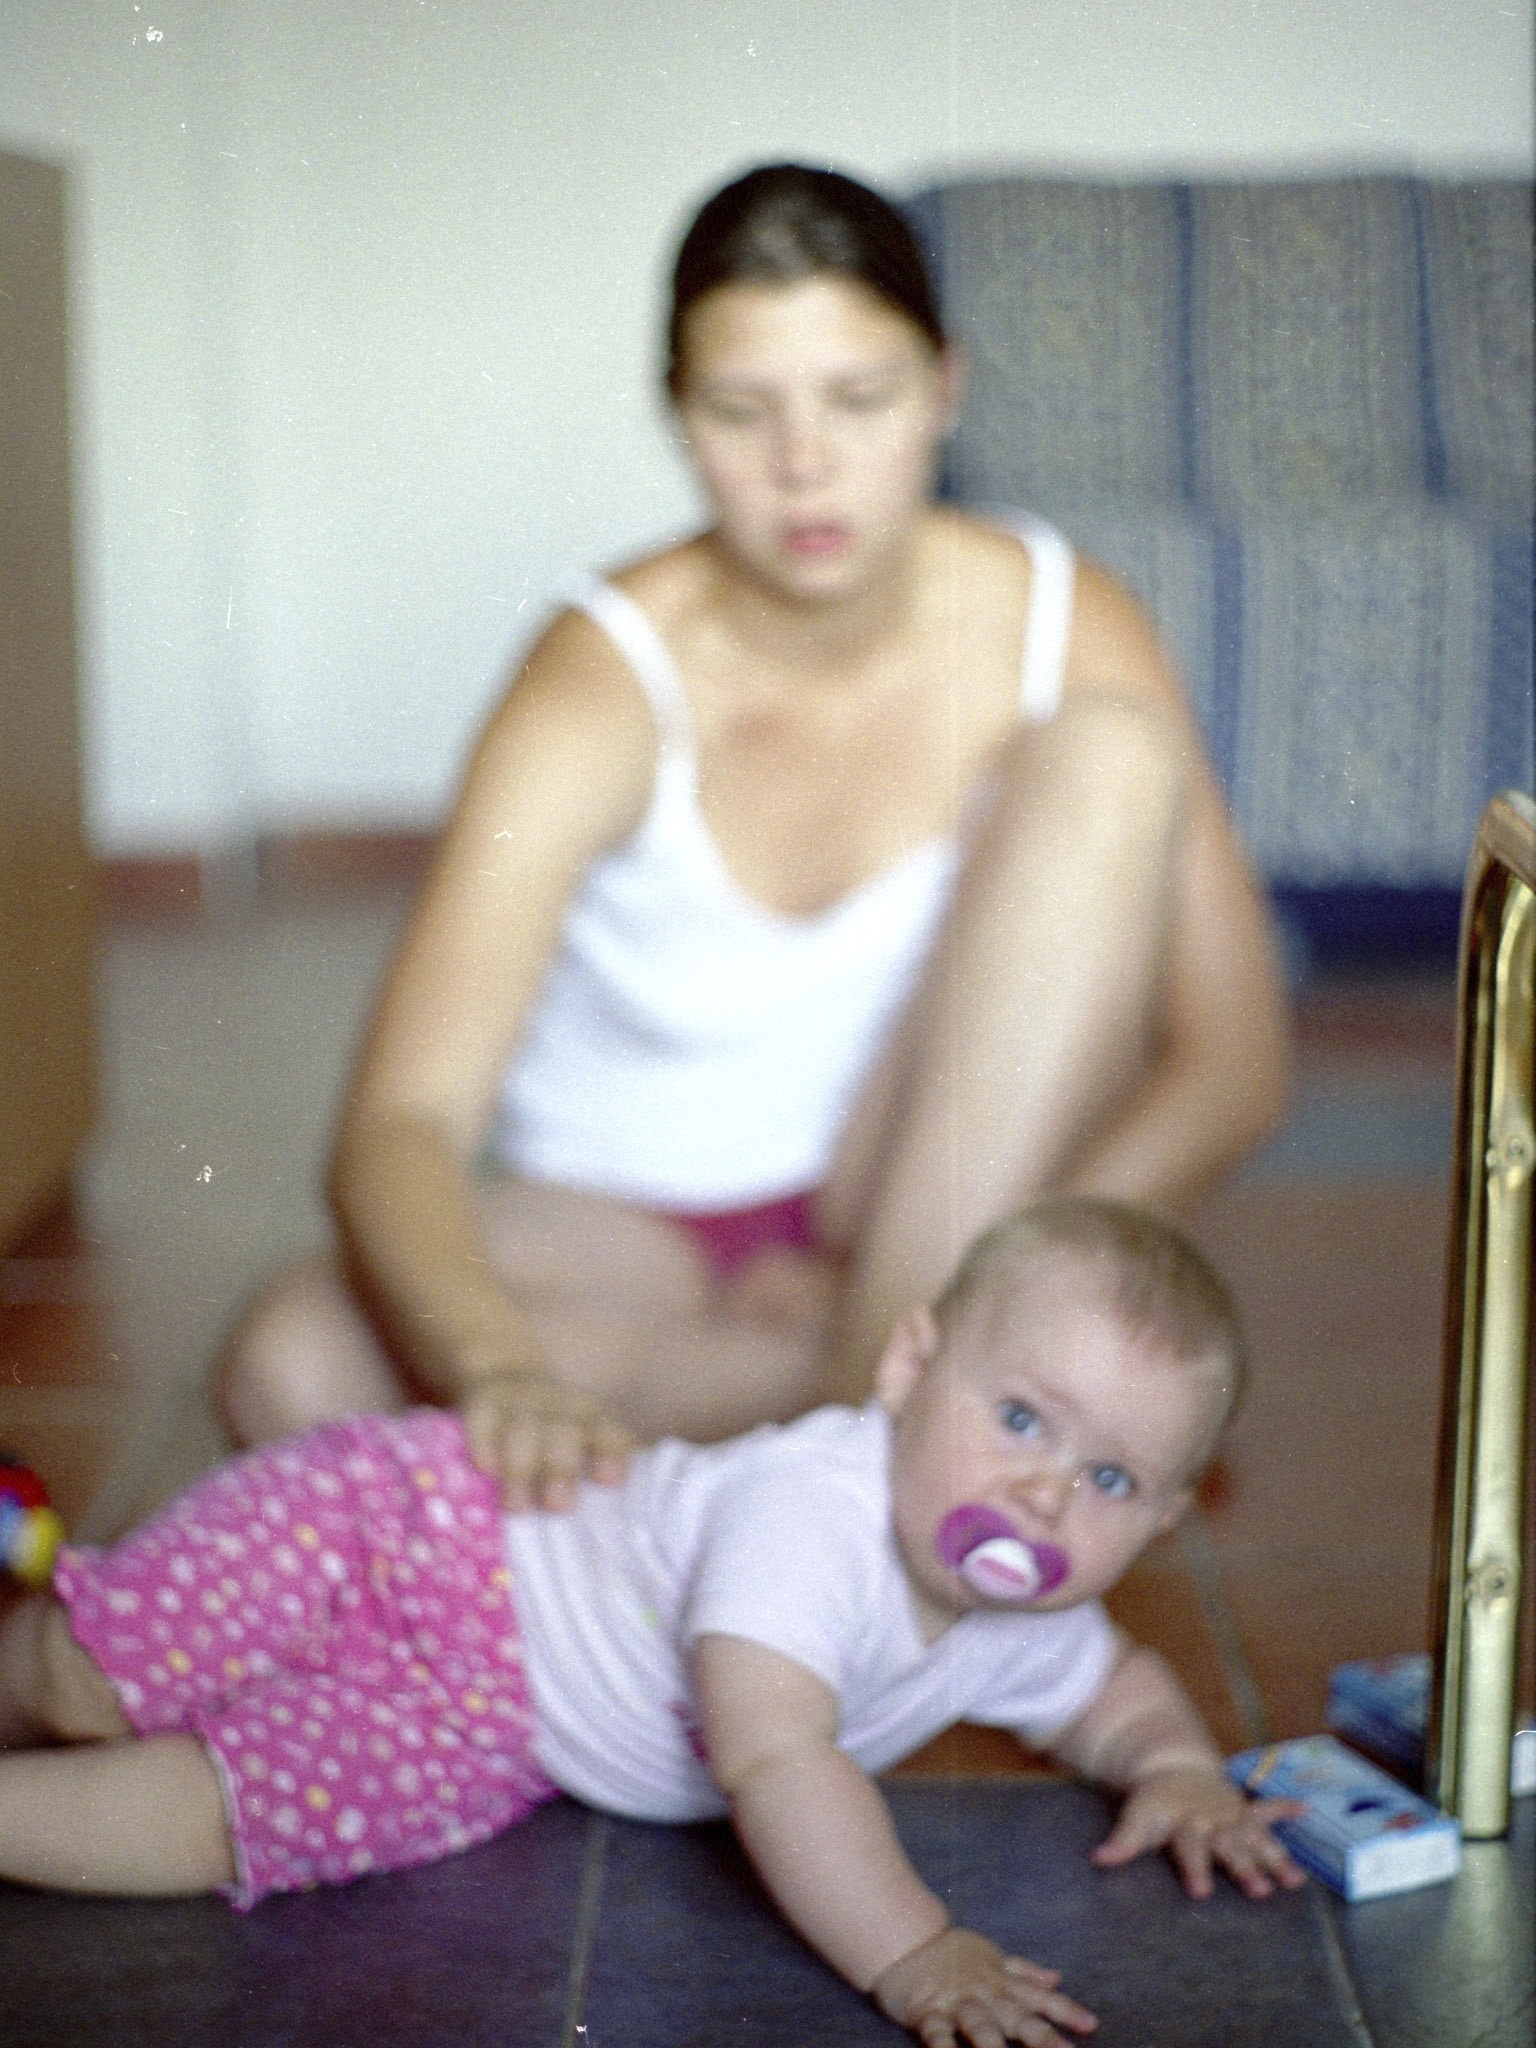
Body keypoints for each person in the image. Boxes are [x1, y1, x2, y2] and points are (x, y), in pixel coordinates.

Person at [220, 163, 1290, 1514]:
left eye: (862, 399)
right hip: (629, 1236)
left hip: (936, 1200)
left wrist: (984, 1292)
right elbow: (402, 1122)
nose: (805, 466)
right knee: (292, 1359)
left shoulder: (1066, 616)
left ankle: (865, 1403)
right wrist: (498, 1367)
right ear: (678, 414)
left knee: (1110, 753)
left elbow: (1233, 1064)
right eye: (742, 411)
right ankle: (891, 1427)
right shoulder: (599, 676)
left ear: (946, 388)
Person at [2, 1199, 1302, 2046]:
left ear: (1163, 1517)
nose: (1044, 1493)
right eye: (1019, 1419)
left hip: (495, 1716)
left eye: (1110, 1479)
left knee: (250, 1813)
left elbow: (1116, 1690)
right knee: (92, 1675)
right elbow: (774, 1756)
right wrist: (916, 1949)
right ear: (909, 1369)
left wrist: (1178, 1769)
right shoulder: (810, 1511)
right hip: (419, 1528)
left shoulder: (1028, 1610)